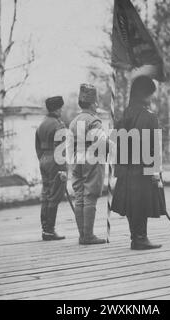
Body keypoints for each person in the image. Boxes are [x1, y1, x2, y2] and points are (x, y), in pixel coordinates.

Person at [111, 76, 164, 250]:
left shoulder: (124, 115)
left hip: (126, 167)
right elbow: (153, 148)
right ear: (146, 94)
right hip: (143, 168)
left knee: (131, 204)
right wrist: (155, 172)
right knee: (141, 202)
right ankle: (141, 238)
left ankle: (136, 237)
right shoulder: (150, 117)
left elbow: (117, 142)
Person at [68, 84, 107, 245]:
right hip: (92, 160)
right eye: (96, 102)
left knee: (79, 197)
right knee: (90, 196)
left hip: (77, 159)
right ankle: (88, 236)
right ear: (92, 104)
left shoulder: (73, 121)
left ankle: (82, 235)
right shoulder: (94, 120)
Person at [35, 96, 67, 241]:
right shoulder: (58, 125)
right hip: (55, 160)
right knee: (54, 195)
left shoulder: (42, 124)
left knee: (46, 194)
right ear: (57, 108)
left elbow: (37, 146)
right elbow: (61, 149)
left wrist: (42, 158)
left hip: (44, 159)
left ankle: (45, 228)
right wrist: (62, 169)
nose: (62, 110)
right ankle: (49, 230)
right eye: (61, 107)